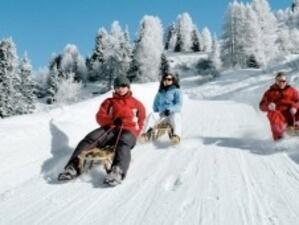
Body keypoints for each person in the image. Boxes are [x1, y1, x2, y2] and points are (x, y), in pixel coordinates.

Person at [58, 75, 146, 186]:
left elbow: (141, 120)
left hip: (128, 131)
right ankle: (73, 166)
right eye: (118, 86)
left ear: (128, 87)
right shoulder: (109, 102)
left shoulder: (137, 104)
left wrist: (136, 133)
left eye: (123, 86)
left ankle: (117, 171)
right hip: (111, 127)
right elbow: (100, 116)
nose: (121, 89)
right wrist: (111, 121)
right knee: (91, 138)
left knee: (123, 143)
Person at [140, 72, 183, 144]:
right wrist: (158, 111)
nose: (167, 81)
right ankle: (146, 135)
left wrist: (170, 109)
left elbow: (179, 104)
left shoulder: (176, 91)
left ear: (172, 81)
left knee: (176, 116)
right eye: (165, 79)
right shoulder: (160, 93)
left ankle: (176, 136)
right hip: (162, 114)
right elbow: (155, 105)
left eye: (169, 79)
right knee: (152, 115)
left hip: (171, 114)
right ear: (162, 81)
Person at [259, 72, 299, 140]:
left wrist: (294, 107)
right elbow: (261, 105)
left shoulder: (292, 90)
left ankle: (296, 128)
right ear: (276, 81)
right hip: (278, 116)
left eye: (283, 81)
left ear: (286, 81)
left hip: (291, 114)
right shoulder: (269, 92)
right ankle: (280, 136)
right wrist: (268, 106)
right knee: (274, 114)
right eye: (279, 81)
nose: (281, 83)